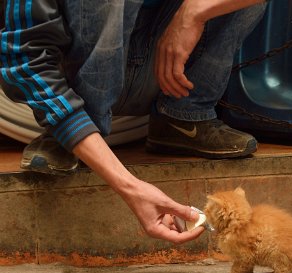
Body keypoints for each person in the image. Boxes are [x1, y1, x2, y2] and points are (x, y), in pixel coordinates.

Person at [0, 0, 267, 244]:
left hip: (165, 68)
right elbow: (25, 60)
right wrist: (130, 187)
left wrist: (193, 13)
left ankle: (182, 117)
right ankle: (74, 131)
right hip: (76, 75)